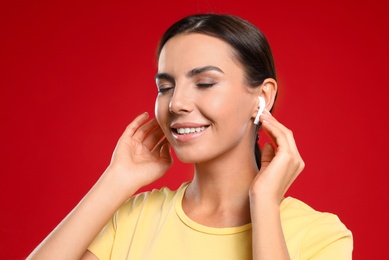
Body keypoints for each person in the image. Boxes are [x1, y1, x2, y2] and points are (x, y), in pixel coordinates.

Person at [27, 14, 353, 259]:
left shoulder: (320, 236)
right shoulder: (133, 218)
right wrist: (117, 178)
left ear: (262, 98)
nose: (176, 103)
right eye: (165, 87)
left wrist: (265, 204)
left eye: (205, 83)